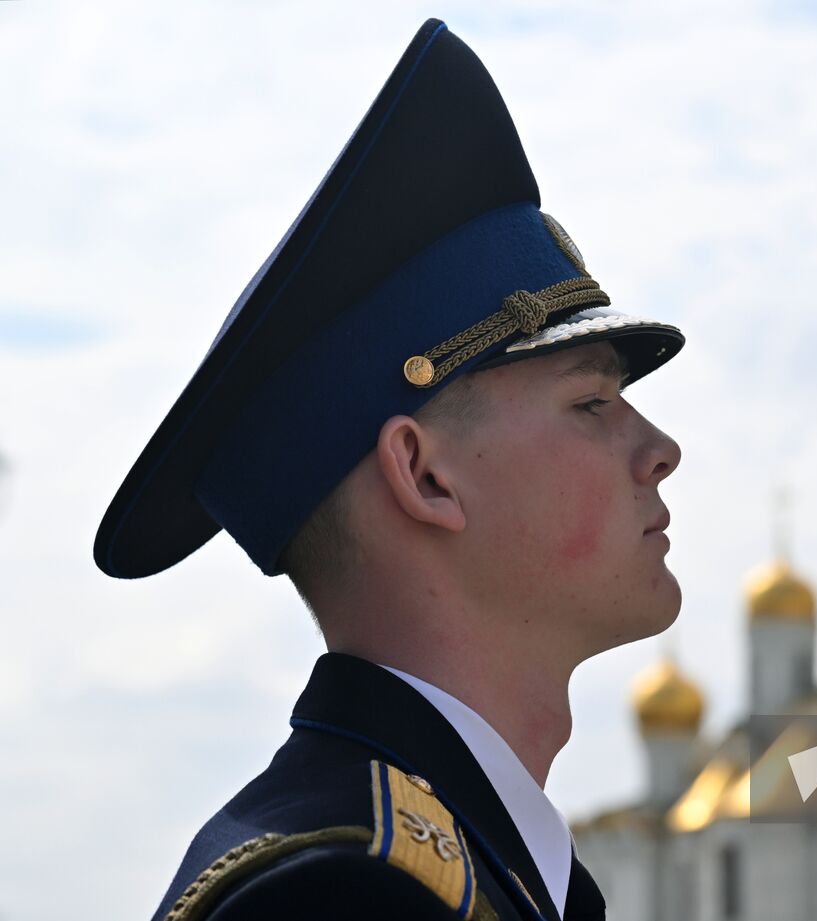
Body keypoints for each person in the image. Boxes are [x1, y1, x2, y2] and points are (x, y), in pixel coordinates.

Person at [94, 19, 684, 921]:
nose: (660, 450)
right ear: (425, 475)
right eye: (593, 403)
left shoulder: (489, 873)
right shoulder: (344, 894)